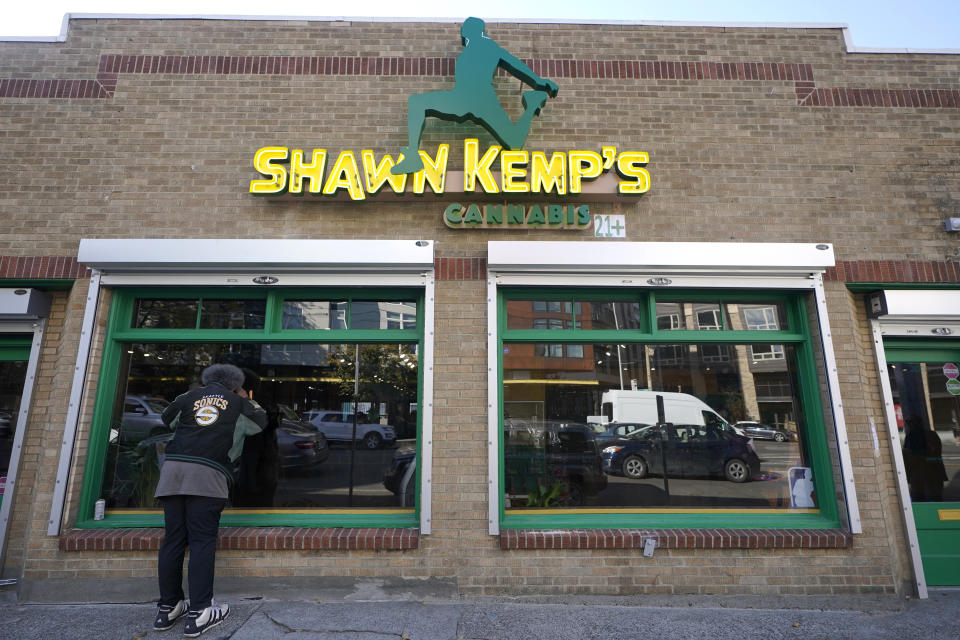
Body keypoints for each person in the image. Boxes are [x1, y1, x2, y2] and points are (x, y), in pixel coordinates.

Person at [152, 364, 266, 636]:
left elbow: (167, 418)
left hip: (172, 473)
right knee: (202, 541)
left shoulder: (187, 397)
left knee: (174, 539)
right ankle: (201, 611)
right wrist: (245, 396)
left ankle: (168, 608)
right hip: (207, 474)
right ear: (235, 384)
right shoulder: (239, 402)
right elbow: (260, 421)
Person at [390, 16, 559, 175]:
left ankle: (532, 105)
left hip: (481, 100)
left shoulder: (489, 46)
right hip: (462, 98)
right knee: (417, 102)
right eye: (464, 27)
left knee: (514, 143)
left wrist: (538, 80)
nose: (463, 30)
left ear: (476, 30)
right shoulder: (474, 47)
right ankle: (413, 156)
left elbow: (514, 63)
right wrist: (538, 80)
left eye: (467, 27)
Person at [233, 368, 279, 508]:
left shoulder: (252, 403)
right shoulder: (261, 402)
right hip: (261, 453)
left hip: (254, 451)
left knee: (248, 485)